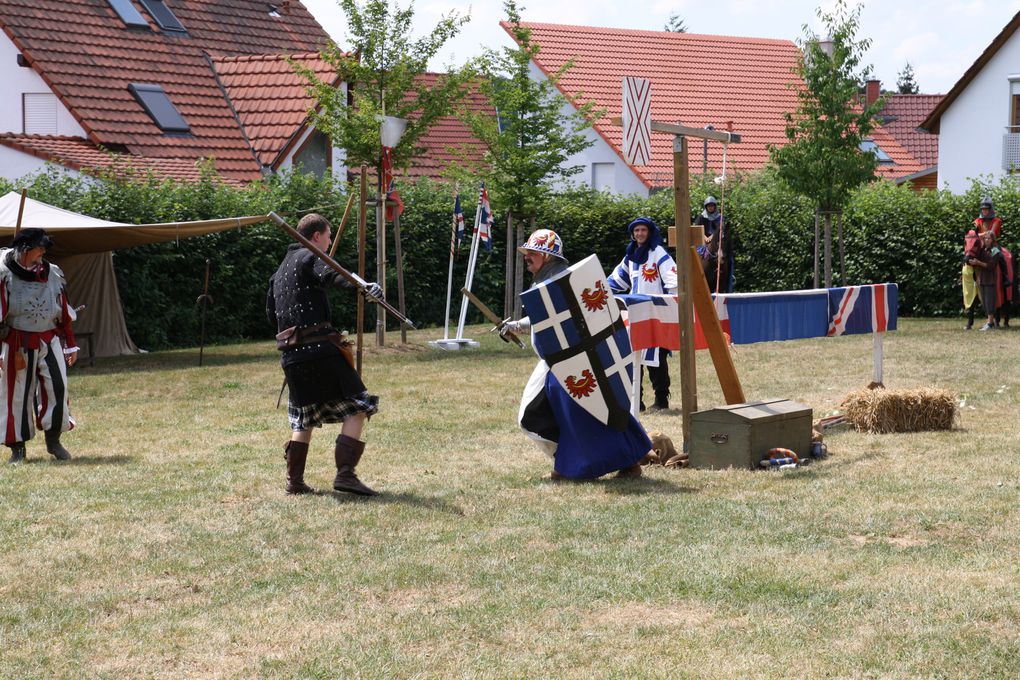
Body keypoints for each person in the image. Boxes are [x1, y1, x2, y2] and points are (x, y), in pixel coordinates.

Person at [502, 229, 649, 480]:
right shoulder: (547, 283)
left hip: (573, 362)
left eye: (532, 253)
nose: (527, 257)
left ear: (547, 258)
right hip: (559, 361)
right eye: (526, 253)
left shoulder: (564, 282)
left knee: (585, 410)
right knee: (557, 411)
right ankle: (579, 463)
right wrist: (517, 326)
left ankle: (589, 465)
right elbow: (548, 322)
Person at [266, 213, 383, 496]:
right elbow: (332, 273)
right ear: (317, 235)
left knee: (303, 418)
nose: (329, 244)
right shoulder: (310, 255)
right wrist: (362, 286)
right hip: (318, 351)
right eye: (328, 237)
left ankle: (295, 482)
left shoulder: (278, 273)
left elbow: (272, 315)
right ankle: (345, 474)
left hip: (291, 357)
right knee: (359, 405)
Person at [0, 228, 78, 464]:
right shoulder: (4, 275)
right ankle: (18, 449)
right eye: (39, 248)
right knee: (16, 395)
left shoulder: (52, 273)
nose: (42, 252)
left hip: (49, 340)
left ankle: (54, 441)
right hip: (16, 344)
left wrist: (70, 344)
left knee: (58, 387)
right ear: (24, 249)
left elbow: (63, 310)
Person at [606, 217, 677, 411]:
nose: (639, 234)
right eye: (636, 230)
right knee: (633, 358)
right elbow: (616, 281)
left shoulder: (658, 253)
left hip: (655, 314)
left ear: (649, 232)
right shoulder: (630, 256)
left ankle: (661, 401)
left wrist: (672, 305)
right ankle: (636, 402)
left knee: (657, 360)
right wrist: (599, 292)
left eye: (643, 230)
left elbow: (673, 280)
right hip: (636, 315)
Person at [694, 196, 734, 293]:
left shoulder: (720, 217)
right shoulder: (701, 217)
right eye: (709, 206)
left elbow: (721, 228)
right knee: (694, 255)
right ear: (706, 207)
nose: (711, 208)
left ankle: (731, 278)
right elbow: (697, 228)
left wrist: (712, 236)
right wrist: (704, 237)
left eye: (712, 206)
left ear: (715, 206)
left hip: (717, 241)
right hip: (703, 241)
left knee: (730, 258)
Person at [967, 230, 1003, 331]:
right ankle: (989, 322)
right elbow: (976, 257)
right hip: (982, 279)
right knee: (985, 303)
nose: (986, 240)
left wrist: (978, 262)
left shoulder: (995, 251)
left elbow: (991, 266)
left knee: (990, 301)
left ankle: (990, 323)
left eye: (988, 238)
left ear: (992, 240)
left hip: (991, 279)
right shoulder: (983, 250)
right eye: (985, 238)